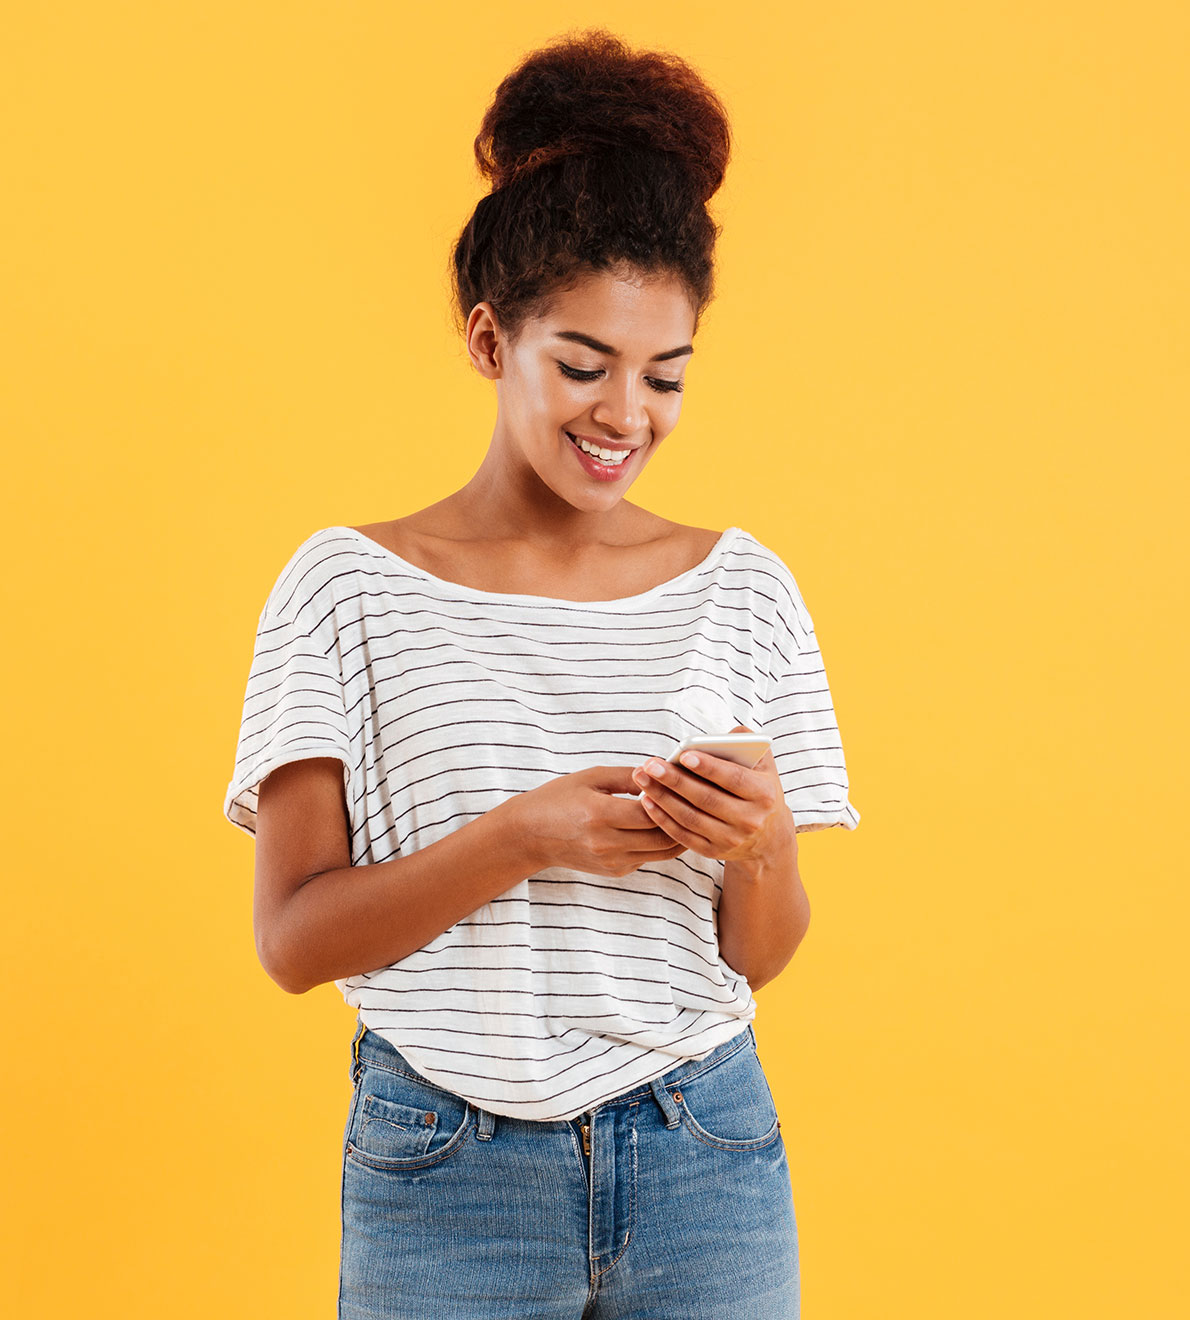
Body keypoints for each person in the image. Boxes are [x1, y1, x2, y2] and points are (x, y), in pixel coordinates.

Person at [223, 26, 859, 1320]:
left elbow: (759, 956)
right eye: (581, 364)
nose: (625, 415)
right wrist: (522, 837)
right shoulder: (345, 590)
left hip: (708, 1149)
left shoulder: (742, 587)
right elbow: (292, 942)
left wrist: (759, 843)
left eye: (664, 375)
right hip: (445, 1169)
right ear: (485, 339)